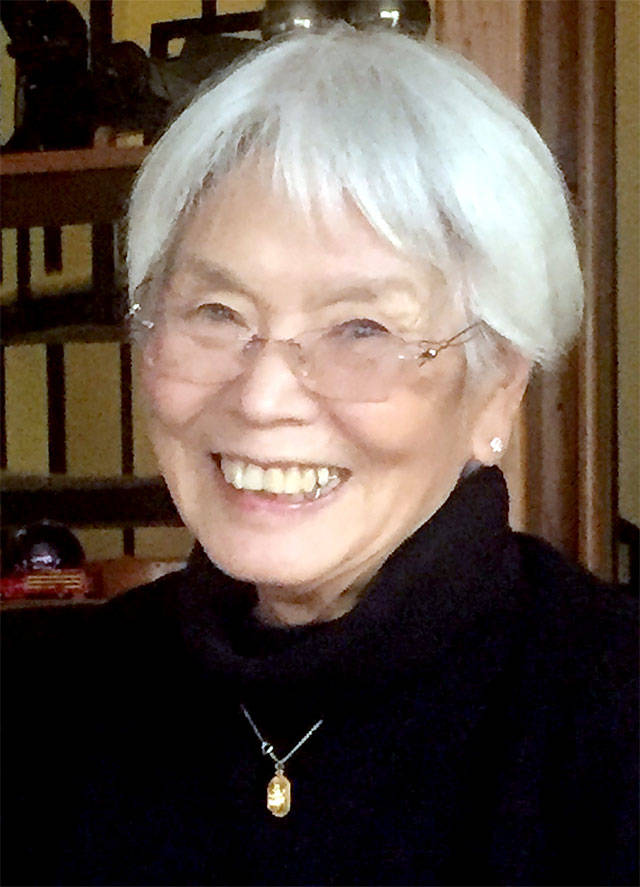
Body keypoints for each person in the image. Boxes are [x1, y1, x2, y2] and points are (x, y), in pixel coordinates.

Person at [2, 24, 637, 887]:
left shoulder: (610, 714)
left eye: (361, 328)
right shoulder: (42, 708)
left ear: (497, 386)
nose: (264, 397)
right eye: (217, 312)